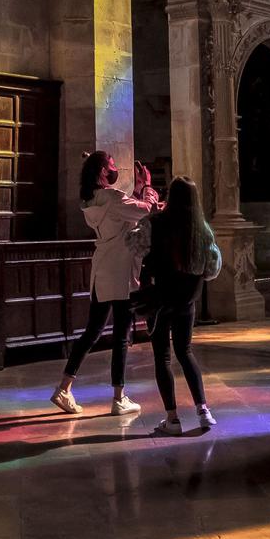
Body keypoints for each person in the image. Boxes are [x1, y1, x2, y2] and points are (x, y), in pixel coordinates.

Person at [52, 150, 159, 416]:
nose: (115, 169)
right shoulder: (112, 198)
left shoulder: (91, 201)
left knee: (92, 332)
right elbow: (146, 211)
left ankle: (64, 387)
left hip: (102, 271)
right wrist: (146, 187)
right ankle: (118, 397)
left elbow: (124, 212)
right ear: (102, 171)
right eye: (111, 165)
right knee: (121, 335)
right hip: (121, 272)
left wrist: (135, 190)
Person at [140, 177, 221, 435]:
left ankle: (172, 419)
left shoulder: (156, 223)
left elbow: (136, 248)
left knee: (162, 357)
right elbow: (212, 270)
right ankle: (203, 410)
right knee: (185, 352)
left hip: (160, 300)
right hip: (187, 301)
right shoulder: (202, 229)